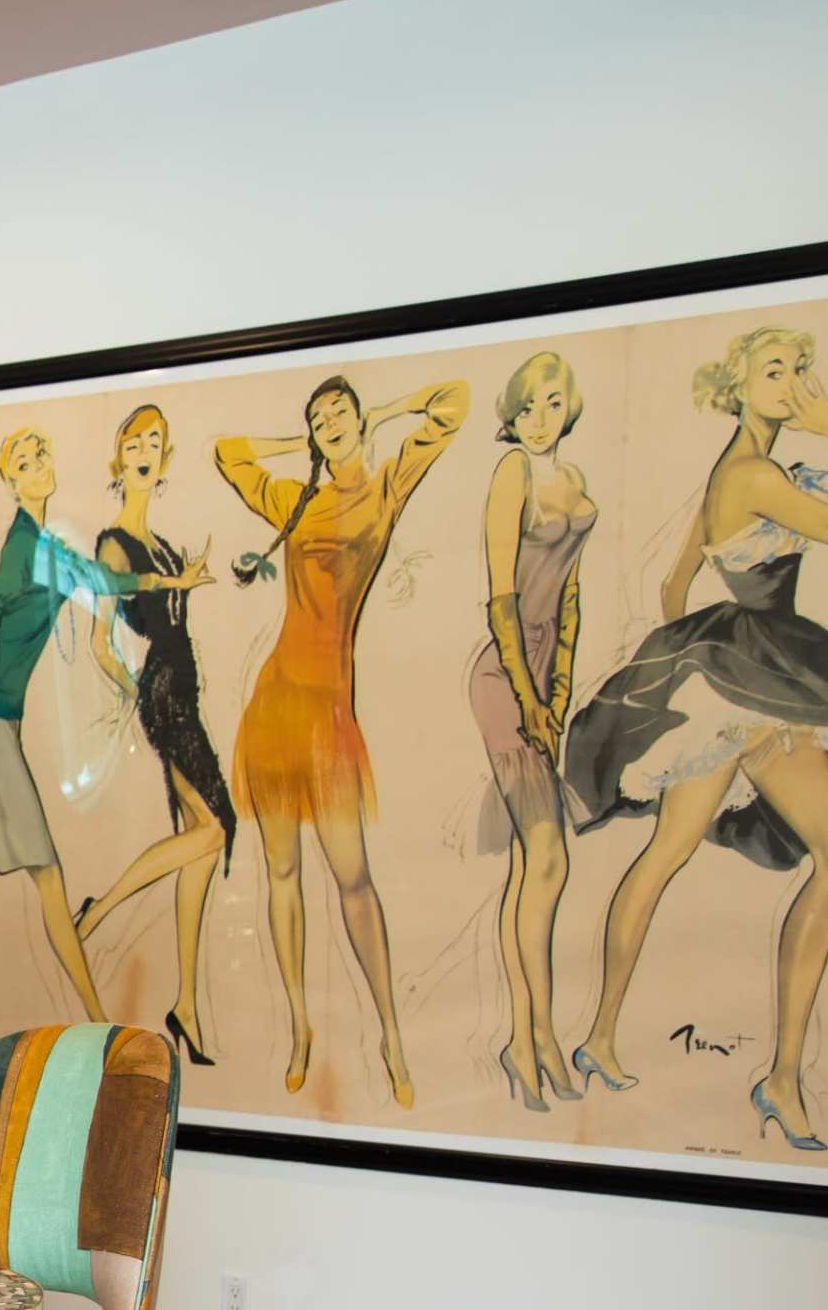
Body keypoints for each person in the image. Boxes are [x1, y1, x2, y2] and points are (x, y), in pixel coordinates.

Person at [561, 327, 828, 1151]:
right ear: (738, 385)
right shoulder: (752, 474)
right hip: (753, 682)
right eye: (774, 370)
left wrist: (704, 666)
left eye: (799, 368)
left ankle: (602, 1036)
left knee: (670, 853)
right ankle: (780, 1079)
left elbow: (674, 582)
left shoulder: (739, 466)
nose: (793, 382)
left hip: (742, 674)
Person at [0, 425, 209, 1060]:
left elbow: (102, 580)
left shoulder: (47, 549)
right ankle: (99, 1022)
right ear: (11, 483)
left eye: (41, 453)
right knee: (46, 873)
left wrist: (170, 584)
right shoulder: (23, 548)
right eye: (24, 461)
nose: (39, 464)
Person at [217, 374, 468, 1104]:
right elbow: (228, 453)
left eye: (340, 411)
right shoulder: (297, 500)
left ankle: (391, 1032)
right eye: (319, 415)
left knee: (353, 878)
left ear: (360, 418)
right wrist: (306, 442)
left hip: (329, 714)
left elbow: (453, 404)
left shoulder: (386, 488)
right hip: (276, 704)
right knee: (282, 873)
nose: (329, 421)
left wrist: (381, 413)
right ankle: (300, 1025)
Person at [69, 405, 233, 1063]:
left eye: (154, 442)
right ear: (120, 459)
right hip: (165, 693)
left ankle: (186, 1004)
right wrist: (133, 692)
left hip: (184, 688)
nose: (144, 451)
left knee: (200, 849)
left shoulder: (162, 544)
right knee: (215, 829)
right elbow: (100, 641)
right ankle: (100, 908)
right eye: (133, 442)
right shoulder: (114, 545)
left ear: (164, 459)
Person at [469, 352, 599, 1109]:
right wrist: (530, 698)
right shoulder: (511, 472)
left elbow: (571, 596)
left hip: (548, 676)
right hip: (504, 676)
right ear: (512, 417)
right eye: (528, 407)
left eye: (553, 402)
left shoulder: (574, 481)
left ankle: (527, 1037)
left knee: (532, 866)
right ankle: (536, 1034)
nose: (541, 418)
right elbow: (501, 599)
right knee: (547, 858)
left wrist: (563, 687)